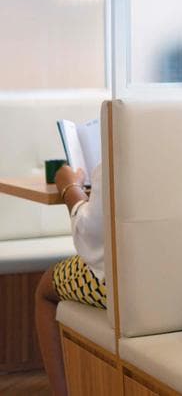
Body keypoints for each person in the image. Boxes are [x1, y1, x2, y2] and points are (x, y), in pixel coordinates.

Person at [35, 164, 105, 396]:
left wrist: (69, 187)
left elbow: (91, 234)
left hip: (125, 285)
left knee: (46, 287)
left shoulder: (121, 146)